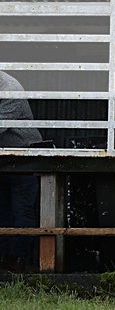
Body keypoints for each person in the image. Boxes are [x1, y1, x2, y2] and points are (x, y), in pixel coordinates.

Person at [0, 71, 43, 272]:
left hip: (24, 160)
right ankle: (7, 259)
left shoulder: (11, 89)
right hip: (5, 160)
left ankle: (19, 261)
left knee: (22, 210)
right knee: (6, 210)